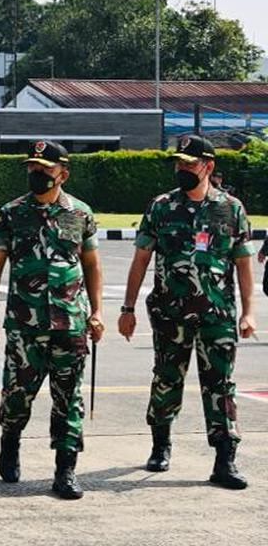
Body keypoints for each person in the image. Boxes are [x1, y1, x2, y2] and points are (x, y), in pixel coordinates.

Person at [119, 134, 256, 489]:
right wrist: (128, 307)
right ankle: (160, 445)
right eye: (178, 163)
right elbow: (141, 259)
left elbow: (243, 264)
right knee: (166, 378)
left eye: (189, 163)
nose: (181, 169)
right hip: (170, 313)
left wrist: (249, 312)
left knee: (221, 385)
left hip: (218, 315)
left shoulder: (231, 208)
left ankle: (225, 459)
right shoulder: (161, 207)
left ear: (208, 166)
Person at [0, 140, 103, 499]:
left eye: (44, 170)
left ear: (62, 173)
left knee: (68, 399)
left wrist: (97, 312)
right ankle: (10, 441)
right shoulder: (12, 213)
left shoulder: (80, 213)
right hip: (25, 324)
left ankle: (65, 470)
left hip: (71, 324)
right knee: (18, 395)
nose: (36, 175)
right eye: (32, 169)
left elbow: (92, 265)